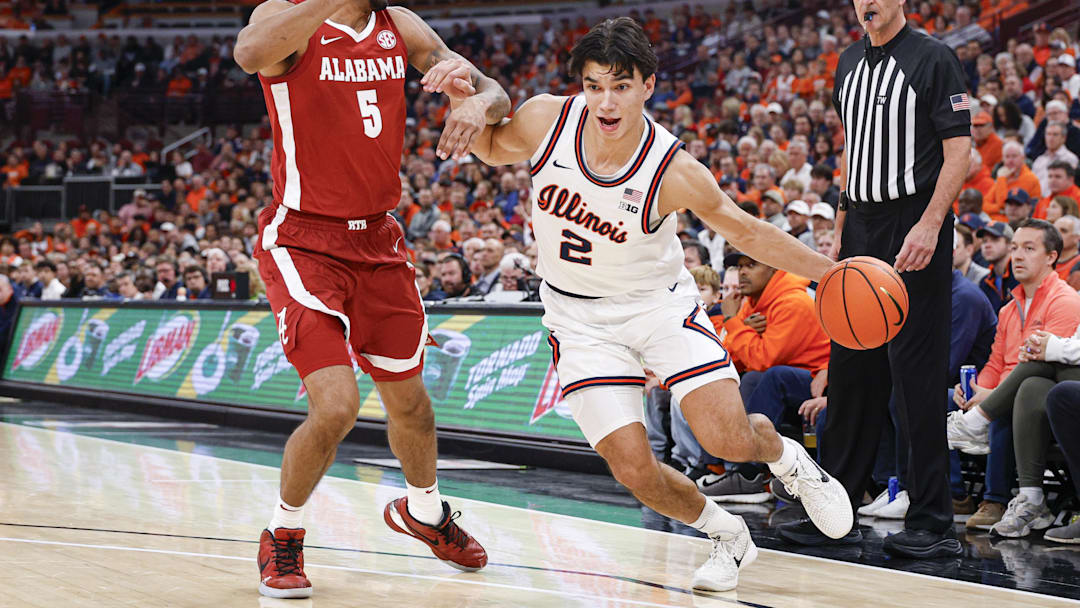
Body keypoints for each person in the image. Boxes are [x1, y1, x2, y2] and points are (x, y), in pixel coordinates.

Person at [462, 17, 851, 592]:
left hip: (657, 306)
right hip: (577, 317)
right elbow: (493, 147)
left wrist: (832, 271)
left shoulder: (674, 170)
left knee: (726, 437)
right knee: (632, 468)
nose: (605, 100)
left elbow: (745, 231)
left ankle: (786, 459)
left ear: (648, 85)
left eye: (620, 85)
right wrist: (468, 106)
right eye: (594, 85)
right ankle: (725, 534)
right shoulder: (548, 118)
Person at [233, 0, 510, 598]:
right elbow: (248, 54)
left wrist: (476, 100)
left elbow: (495, 92)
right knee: (336, 407)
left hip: (381, 241)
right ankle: (282, 534)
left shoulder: (400, 24)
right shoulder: (288, 18)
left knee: (413, 408)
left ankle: (427, 514)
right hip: (304, 239)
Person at [795, 0, 972, 558]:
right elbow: (857, 153)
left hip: (914, 219)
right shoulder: (847, 62)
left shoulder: (934, 58)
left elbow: (959, 151)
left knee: (913, 374)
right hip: (862, 224)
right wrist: (842, 230)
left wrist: (930, 223)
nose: (866, 2)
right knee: (851, 371)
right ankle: (836, 510)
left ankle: (932, 521)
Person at [947, 220, 1080, 537]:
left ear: (1051, 256)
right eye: (1016, 247)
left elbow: (1054, 364)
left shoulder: (1064, 299)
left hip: (1052, 401)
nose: (1017, 255)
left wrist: (990, 398)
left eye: (1029, 249)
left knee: (1023, 387)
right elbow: (995, 362)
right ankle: (1020, 499)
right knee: (930, 397)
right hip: (1024, 390)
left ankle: (993, 497)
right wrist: (978, 389)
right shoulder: (1009, 308)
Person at [977, 221, 1018, 312]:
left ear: (1010, 245)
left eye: (995, 240)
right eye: (984, 241)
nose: (987, 245)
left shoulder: (1020, 276)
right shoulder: (984, 282)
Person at [1031, 122, 1079, 196]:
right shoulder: (1039, 160)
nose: (1051, 138)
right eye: (1048, 134)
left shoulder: (1070, 159)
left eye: (1055, 134)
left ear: (1064, 138)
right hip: (1039, 202)